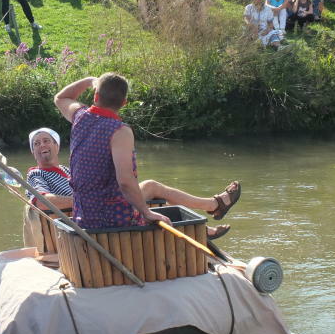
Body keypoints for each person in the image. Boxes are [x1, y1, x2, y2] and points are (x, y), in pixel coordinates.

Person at [54, 74, 241, 230]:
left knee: (151, 186)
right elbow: (126, 182)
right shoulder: (120, 131)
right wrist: (146, 212)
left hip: (83, 213)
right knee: (154, 204)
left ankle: (212, 208)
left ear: (95, 96)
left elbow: (60, 98)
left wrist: (88, 80)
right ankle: (211, 210)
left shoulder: (79, 116)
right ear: (124, 103)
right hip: (110, 218)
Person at [27, 126, 233, 238]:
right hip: (87, 216)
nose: (41, 145)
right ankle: (213, 205)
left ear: (56, 146)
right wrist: (85, 200)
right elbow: (42, 201)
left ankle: (201, 229)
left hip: (101, 206)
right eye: (36, 143)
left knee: (148, 191)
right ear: (33, 151)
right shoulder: (36, 175)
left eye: (46, 141)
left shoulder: (67, 169)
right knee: (151, 186)